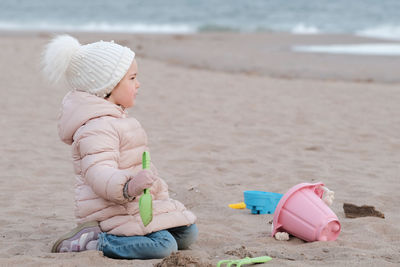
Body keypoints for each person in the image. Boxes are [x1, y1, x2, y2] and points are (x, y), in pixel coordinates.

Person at [41, 35, 197, 259]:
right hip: (110, 213)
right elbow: (98, 172)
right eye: (132, 78)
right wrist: (130, 186)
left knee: (187, 232)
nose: (138, 84)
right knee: (164, 246)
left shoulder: (117, 119)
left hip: (132, 207)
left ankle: (132, 235)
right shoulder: (96, 128)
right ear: (107, 86)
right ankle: (95, 241)